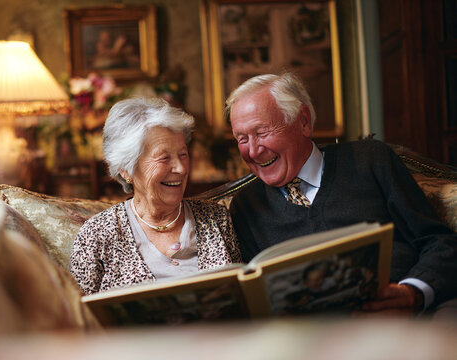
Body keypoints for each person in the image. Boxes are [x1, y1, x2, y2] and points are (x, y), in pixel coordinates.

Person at [226, 72, 457, 316]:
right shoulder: (246, 205)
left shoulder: (369, 160)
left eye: (261, 132)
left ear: (303, 121)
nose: (252, 151)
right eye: (242, 139)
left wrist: (412, 293)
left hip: (404, 318)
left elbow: (439, 242)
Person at [70, 97, 242, 295]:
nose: (180, 168)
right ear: (126, 169)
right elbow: (79, 316)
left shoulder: (218, 219)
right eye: (164, 158)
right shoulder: (97, 235)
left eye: (183, 154)